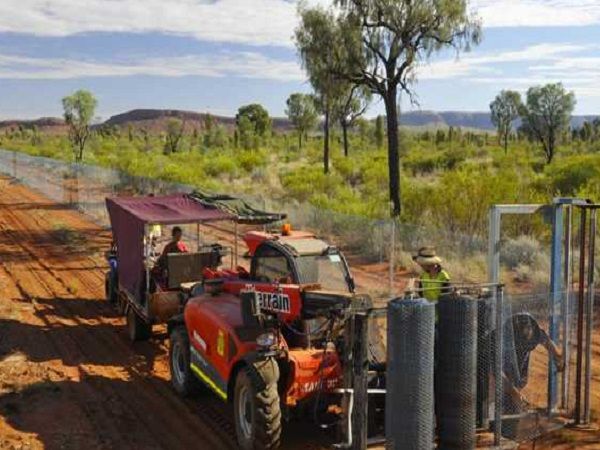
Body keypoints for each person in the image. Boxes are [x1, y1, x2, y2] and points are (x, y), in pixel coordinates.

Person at [503, 313, 564, 411]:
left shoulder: (534, 332)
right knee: (508, 379)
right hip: (507, 354)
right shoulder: (504, 339)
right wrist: (513, 392)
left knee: (521, 379)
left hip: (519, 353)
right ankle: (509, 402)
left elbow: (547, 342)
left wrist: (558, 357)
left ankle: (514, 401)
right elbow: (497, 373)